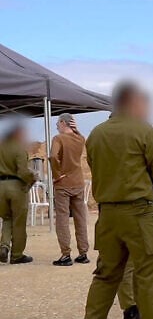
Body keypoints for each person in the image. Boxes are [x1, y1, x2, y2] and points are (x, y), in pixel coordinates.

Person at [75, 81, 153, 319]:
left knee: (106, 274)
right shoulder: (144, 131)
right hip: (137, 212)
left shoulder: (96, 134)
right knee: (148, 275)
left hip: (107, 214)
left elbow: (97, 171)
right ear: (132, 102)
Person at [50, 113, 90, 266]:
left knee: (62, 219)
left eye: (58, 123)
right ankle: (83, 253)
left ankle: (66, 254)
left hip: (63, 183)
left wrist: (56, 174)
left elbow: (53, 156)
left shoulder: (58, 139)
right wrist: (77, 130)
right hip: (78, 182)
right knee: (80, 219)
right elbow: (82, 137)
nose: (56, 125)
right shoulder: (80, 139)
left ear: (62, 122)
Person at [0, 119, 37, 265]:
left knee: (7, 218)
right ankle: (17, 255)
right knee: (19, 221)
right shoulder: (19, 149)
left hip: (0, 187)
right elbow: (22, 171)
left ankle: (3, 246)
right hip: (16, 187)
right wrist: (32, 178)